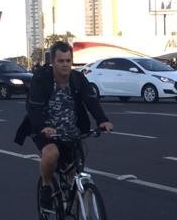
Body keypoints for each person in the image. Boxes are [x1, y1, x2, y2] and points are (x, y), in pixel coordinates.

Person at [14, 41, 114, 208]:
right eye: (61, 61)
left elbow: (91, 100)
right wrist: (42, 127)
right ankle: (46, 186)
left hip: (71, 131)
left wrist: (102, 120)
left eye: (68, 61)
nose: (65, 65)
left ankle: (84, 216)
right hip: (45, 130)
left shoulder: (77, 79)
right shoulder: (41, 80)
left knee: (75, 173)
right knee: (52, 154)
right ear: (53, 62)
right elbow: (34, 108)